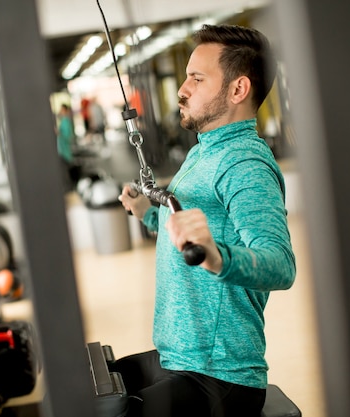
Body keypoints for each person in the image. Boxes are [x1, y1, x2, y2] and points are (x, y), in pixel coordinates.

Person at [116, 24, 296, 417]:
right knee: (92, 386)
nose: (182, 89)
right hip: (178, 354)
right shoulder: (204, 151)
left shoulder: (244, 162)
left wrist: (217, 256)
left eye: (197, 79)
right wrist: (148, 214)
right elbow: (188, 227)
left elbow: (280, 265)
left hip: (220, 376)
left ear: (237, 90)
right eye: (186, 77)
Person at [55, 104, 77, 190]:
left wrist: (59, 133)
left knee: (66, 172)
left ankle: (69, 188)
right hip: (62, 150)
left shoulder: (66, 122)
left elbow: (68, 137)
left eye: (62, 110)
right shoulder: (63, 121)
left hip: (65, 152)